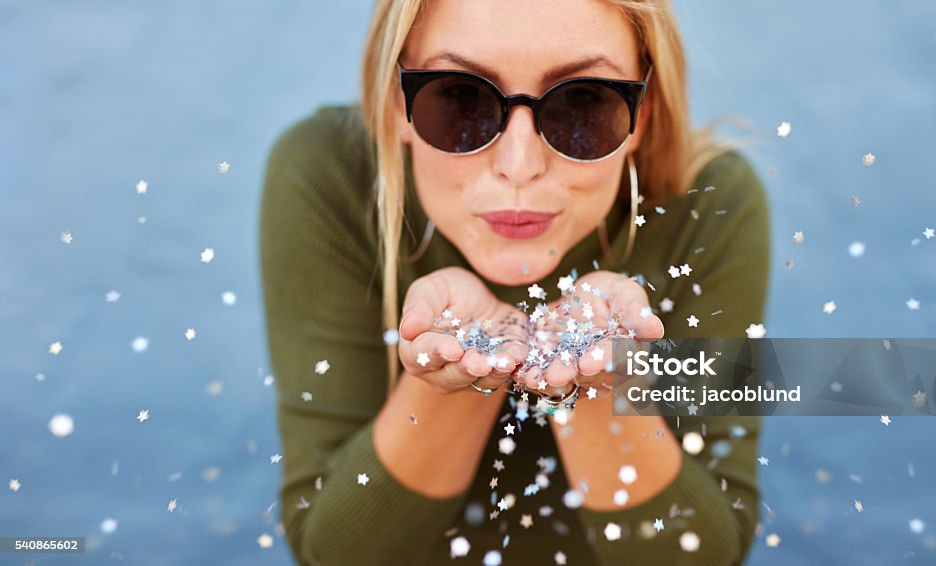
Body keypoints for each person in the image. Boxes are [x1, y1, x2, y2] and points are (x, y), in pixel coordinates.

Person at [259, 0, 771, 564]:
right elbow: (334, 553)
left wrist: (599, 379)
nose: (519, 164)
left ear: (641, 114)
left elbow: (707, 553)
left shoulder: (710, 207)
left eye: (584, 102)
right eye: (458, 97)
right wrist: (455, 371)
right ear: (394, 106)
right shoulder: (332, 176)